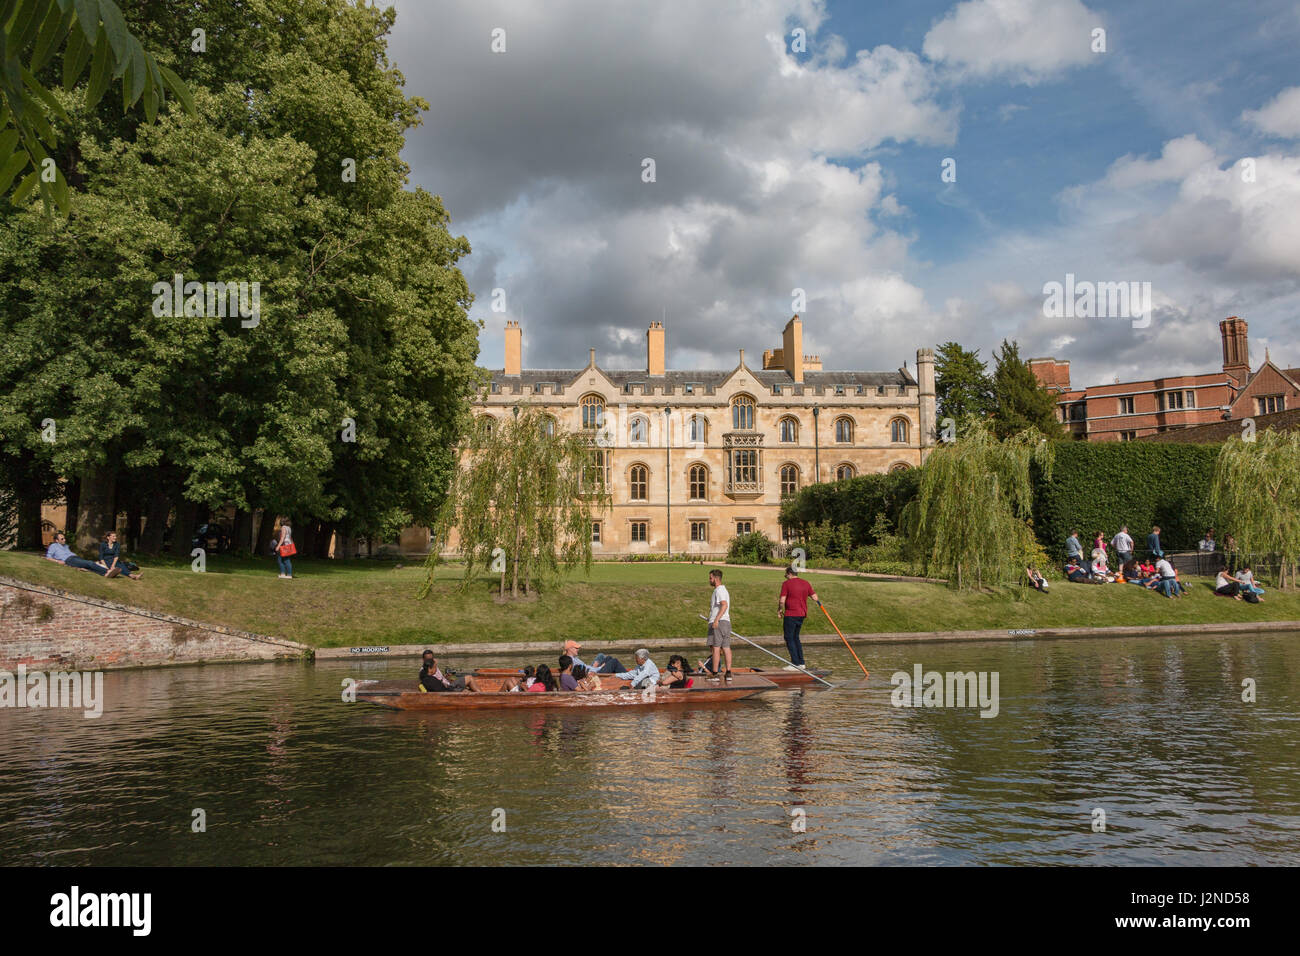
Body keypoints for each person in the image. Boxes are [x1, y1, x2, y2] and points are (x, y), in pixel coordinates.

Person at [777, 566, 817, 670]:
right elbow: (815, 597)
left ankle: (795, 664)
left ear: (790, 573)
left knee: (789, 637)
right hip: (802, 615)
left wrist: (780, 610)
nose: (785, 576)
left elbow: (782, 600)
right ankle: (801, 663)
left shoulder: (786, 584)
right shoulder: (806, 583)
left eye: (786, 574)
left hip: (791, 614)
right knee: (796, 637)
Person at [44, 532, 119, 577]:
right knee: (89, 563)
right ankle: (107, 571)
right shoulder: (53, 546)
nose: (64, 540)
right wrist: (58, 561)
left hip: (75, 557)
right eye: (62, 539)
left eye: (64, 538)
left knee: (88, 566)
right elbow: (48, 557)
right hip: (69, 560)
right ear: (56, 540)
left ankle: (104, 574)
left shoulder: (66, 546)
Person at [706, 569, 733, 681]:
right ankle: (728, 673)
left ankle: (715, 673)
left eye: (710, 578)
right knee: (726, 647)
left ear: (716, 579)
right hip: (726, 622)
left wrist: (716, 619)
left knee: (716, 648)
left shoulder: (719, 590)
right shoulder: (724, 590)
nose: (709, 580)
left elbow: (724, 605)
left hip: (720, 623)